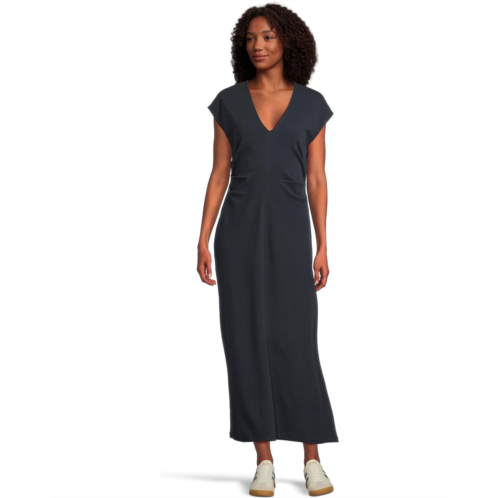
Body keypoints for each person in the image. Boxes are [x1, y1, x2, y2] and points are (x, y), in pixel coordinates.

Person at [197, 4, 339, 496]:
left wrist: (323, 244)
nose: (258, 45)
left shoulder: (312, 105)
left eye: (268, 36)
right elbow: (219, 173)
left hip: (292, 235)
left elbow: (316, 178)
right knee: (245, 340)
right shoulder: (228, 103)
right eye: (251, 38)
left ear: (288, 42)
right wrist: (202, 237)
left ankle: (312, 458)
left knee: (297, 341)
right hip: (236, 236)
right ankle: (263, 460)